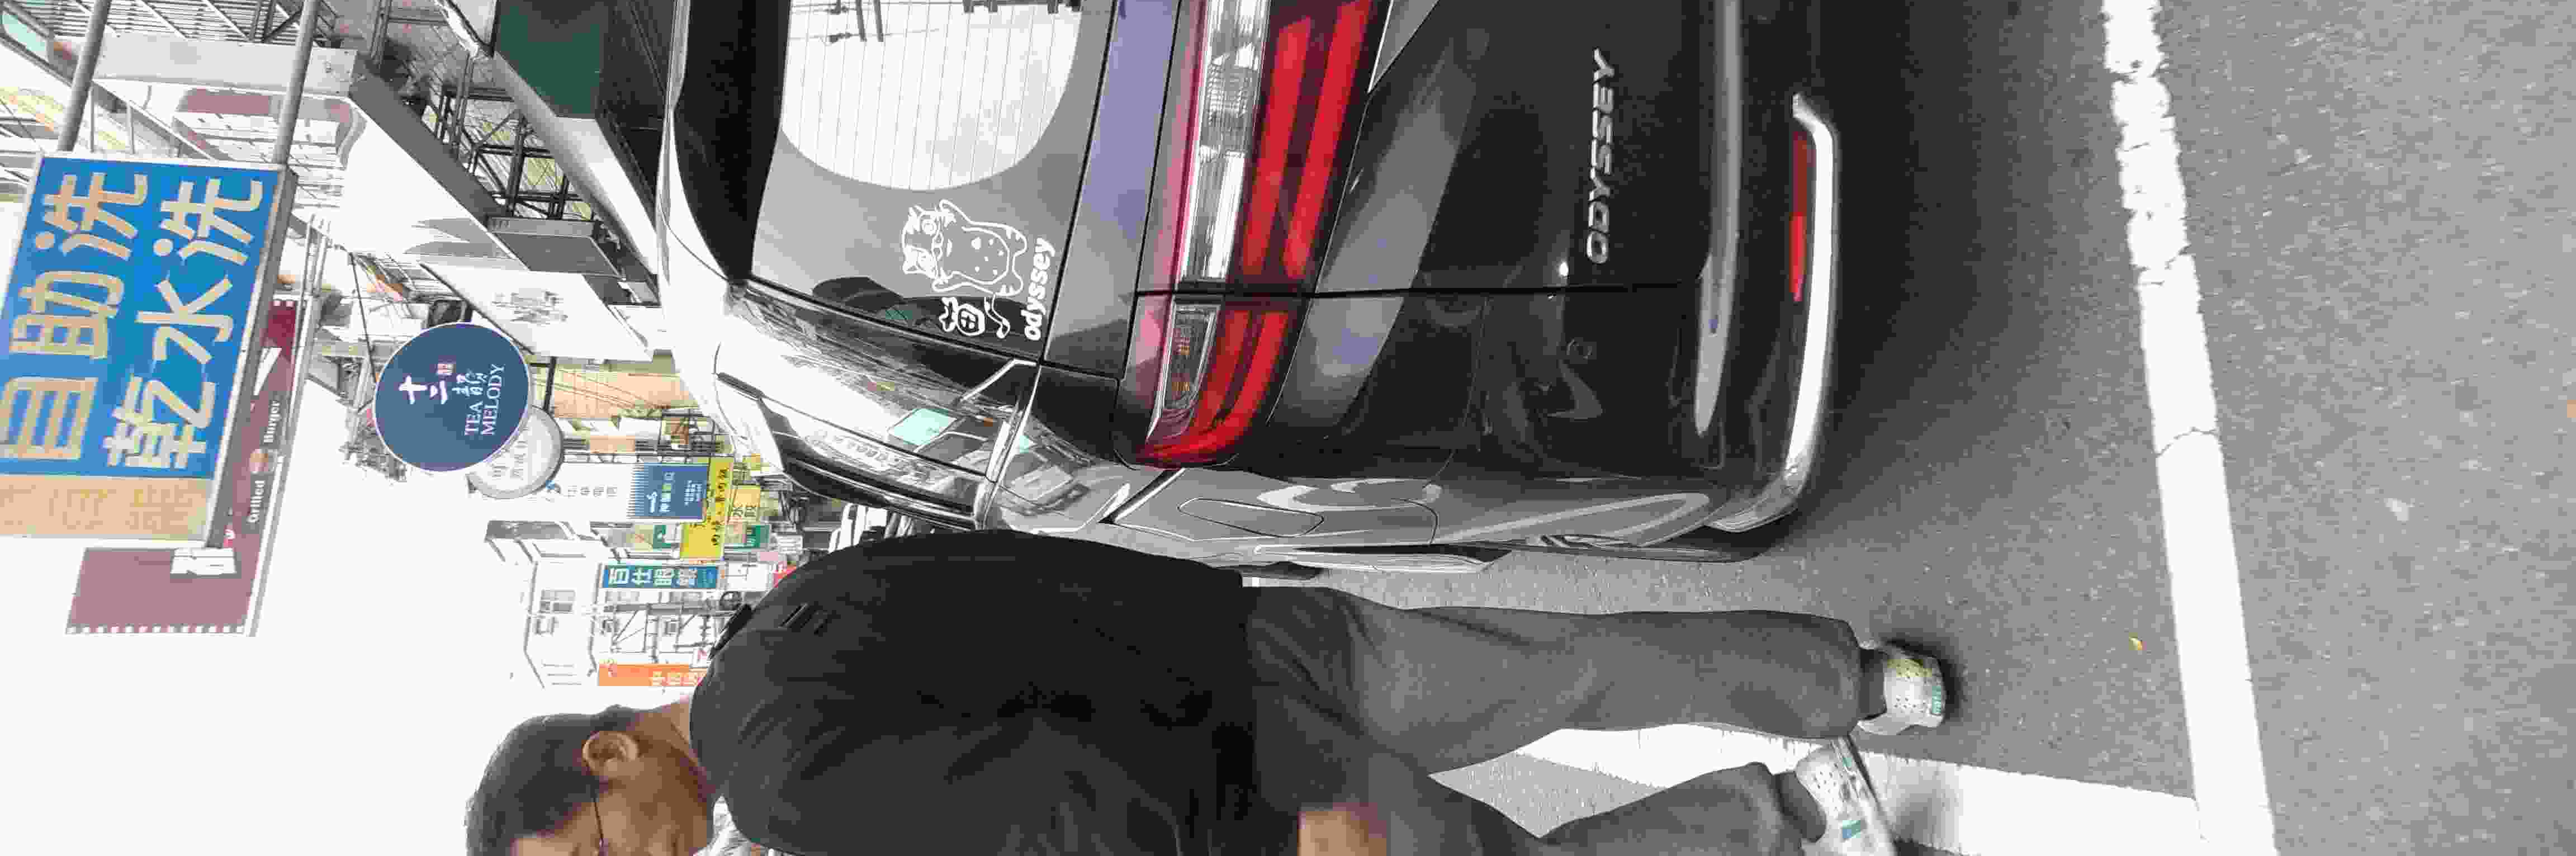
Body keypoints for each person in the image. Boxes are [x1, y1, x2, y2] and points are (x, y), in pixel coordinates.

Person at [466, 529, 1947, 856]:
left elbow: (1056, 802)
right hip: (1247, 636)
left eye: (597, 854)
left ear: (608, 757)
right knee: (1562, 665)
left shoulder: (780, 787)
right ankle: (1855, 679)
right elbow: (1026, 575)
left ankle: (1790, 813)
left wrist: (1280, 824)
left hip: (1250, 779)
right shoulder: (791, 615)